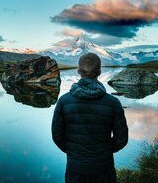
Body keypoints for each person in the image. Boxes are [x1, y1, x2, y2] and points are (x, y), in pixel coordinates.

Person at [52, 53, 128, 183]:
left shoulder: (64, 101)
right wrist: (106, 151)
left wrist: (73, 151)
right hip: (104, 167)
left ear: (78, 71)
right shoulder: (113, 102)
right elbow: (121, 139)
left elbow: (57, 135)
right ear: (99, 71)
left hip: (75, 168)